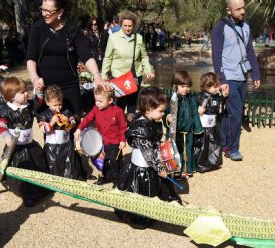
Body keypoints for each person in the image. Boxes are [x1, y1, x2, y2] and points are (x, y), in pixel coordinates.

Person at [26, 0, 109, 116]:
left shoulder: (72, 29)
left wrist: (96, 76)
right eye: (42, 9)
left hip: (70, 86)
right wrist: (34, 77)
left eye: (48, 11)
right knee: (51, 128)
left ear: (60, 11)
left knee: (74, 124)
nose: (44, 14)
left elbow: (86, 55)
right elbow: (31, 57)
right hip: (46, 87)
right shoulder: (38, 28)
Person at [115, 87, 181, 227]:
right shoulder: (142, 129)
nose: (163, 114)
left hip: (145, 165)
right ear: (149, 109)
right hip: (142, 169)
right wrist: (159, 168)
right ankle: (141, 217)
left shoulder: (145, 119)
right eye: (161, 111)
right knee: (143, 193)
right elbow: (148, 153)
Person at [211, 0, 261, 161]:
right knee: (237, 112)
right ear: (228, 10)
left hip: (242, 76)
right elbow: (216, 57)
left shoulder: (246, 26)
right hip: (229, 77)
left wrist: (256, 74)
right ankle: (232, 149)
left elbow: (250, 52)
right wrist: (222, 80)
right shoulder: (220, 27)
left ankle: (224, 143)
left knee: (230, 114)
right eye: (238, 9)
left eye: (243, 8)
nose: (242, 11)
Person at [0, 77, 48, 207]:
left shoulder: (29, 105)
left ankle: (42, 188)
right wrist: (7, 136)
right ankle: (27, 194)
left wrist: (39, 89)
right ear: (11, 97)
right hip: (16, 148)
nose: (26, 93)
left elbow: (39, 101)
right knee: (22, 170)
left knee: (38, 165)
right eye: (22, 92)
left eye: (26, 90)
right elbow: (2, 125)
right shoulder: (7, 111)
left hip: (30, 144)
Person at [102, 11, 154, 122]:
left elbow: (144, 57)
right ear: (121, 25)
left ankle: (130, 129)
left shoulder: (138, 38)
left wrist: (148, 70)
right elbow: (108, 58)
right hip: (118, 77)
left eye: (130, 26)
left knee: (132, 105)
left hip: (134, 76)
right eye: (125, 25)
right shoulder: (113, 38)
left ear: (134, 25)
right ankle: (117, 129)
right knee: (118, 106)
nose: (127, 28)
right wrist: (104, 75)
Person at [74, 85, 127, 185]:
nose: (97, 103)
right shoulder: (95, 110)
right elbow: (87, 119)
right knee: (103, 161)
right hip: (102, 142)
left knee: (115, 161)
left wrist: (123, 140)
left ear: (110, 100)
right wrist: (79, 129)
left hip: (115, 143)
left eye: (100, 101)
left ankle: (117, 180)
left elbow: (123, 127)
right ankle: (106, 177)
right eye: (96, 100)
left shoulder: (118, 111)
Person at [37, 84, 85, 180]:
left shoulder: (66, 112)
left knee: (69, 163)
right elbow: (43, 129)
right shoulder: (44, 115)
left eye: (60, 104)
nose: (58, 107)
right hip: (52, 146)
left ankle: (69, 178)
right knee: (53, 163)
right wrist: (51, 122)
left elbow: (72, 125)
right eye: (55, 105)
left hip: (66, 145)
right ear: (47, 102)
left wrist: (68, 121)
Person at [165, 70, 203, 177]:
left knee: (188, 151)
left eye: (188, 86)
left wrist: (198, 128)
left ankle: (188, 170)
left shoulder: (191, 98)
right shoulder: (173, 99)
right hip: (176, 132)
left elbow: (195, 113)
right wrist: (167, 117)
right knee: (177, 151)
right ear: (175, 86)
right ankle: (177, 171)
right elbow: (166, 112)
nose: (186, 89)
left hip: (189, 131)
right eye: (182, 86)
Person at [194, 72, 227, 173]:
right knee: (203, 145)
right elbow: (196, 109)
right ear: (207, 86)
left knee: (214, 144)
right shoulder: (200, 96)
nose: (217, 88)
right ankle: (200, 164)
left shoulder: (216, 96)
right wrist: (199, 109)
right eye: (215, 86)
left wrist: (223, 96)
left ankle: (214, 162)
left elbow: (219, 105)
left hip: (213, 125)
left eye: (218, 85)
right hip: (203, 126)